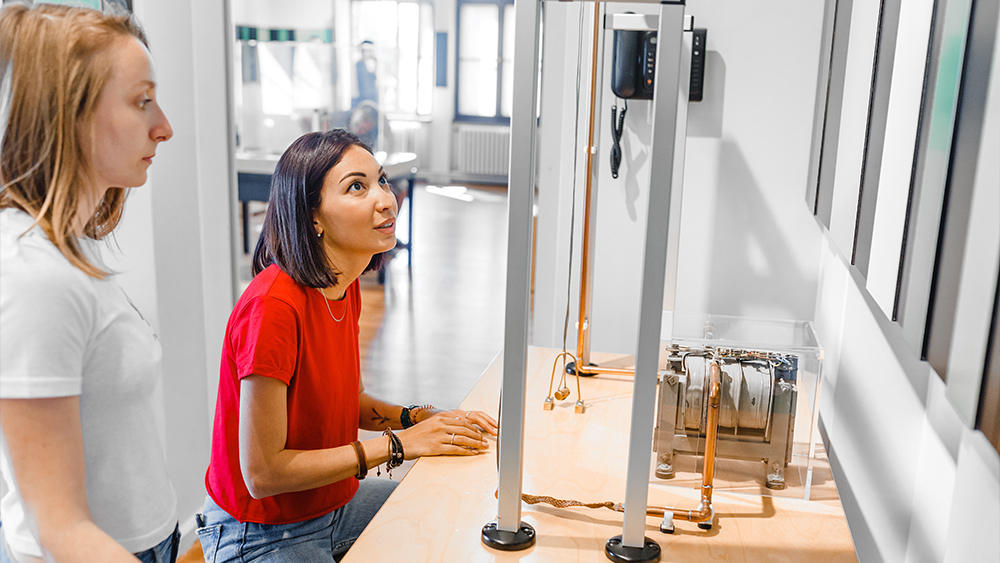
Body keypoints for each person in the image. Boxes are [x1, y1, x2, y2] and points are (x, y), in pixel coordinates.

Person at [197, 129, 498, 562]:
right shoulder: (272, 309)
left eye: (381, 180)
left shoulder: (343, 284)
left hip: (331, 504)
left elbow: (345, 401)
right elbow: (262, 473)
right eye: (357, 187)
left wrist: (418, 418)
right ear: (313, 217)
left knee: (452, 521)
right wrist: (400, 444)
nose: (385, 199)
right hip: (260, 533)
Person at [0, 4, 178, 563]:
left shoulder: (67, 251)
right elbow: (61, 527)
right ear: (68, 113)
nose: (163, 126)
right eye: (140, 100)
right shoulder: (34, 275)